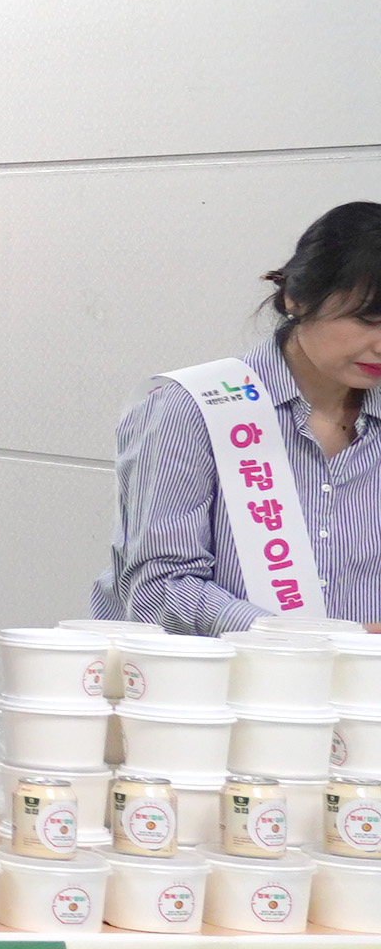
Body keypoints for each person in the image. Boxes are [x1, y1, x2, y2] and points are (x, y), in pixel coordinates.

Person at [99, 202, 381, 632]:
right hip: (215, 673)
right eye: (368, 319)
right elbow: (159, 589)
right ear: (296, 297)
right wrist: (310, 642)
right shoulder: (194, 408)